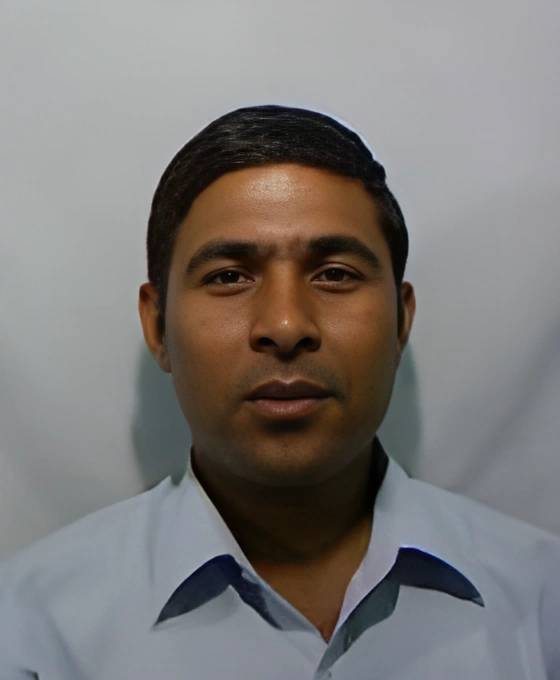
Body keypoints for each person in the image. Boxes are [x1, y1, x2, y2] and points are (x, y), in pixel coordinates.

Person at [0, 104, 558, 679]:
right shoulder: (32, 626)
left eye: (335, 273)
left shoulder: (541, 599)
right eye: (228, 276)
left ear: (401, 320)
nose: (287, 326)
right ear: (158, 325)